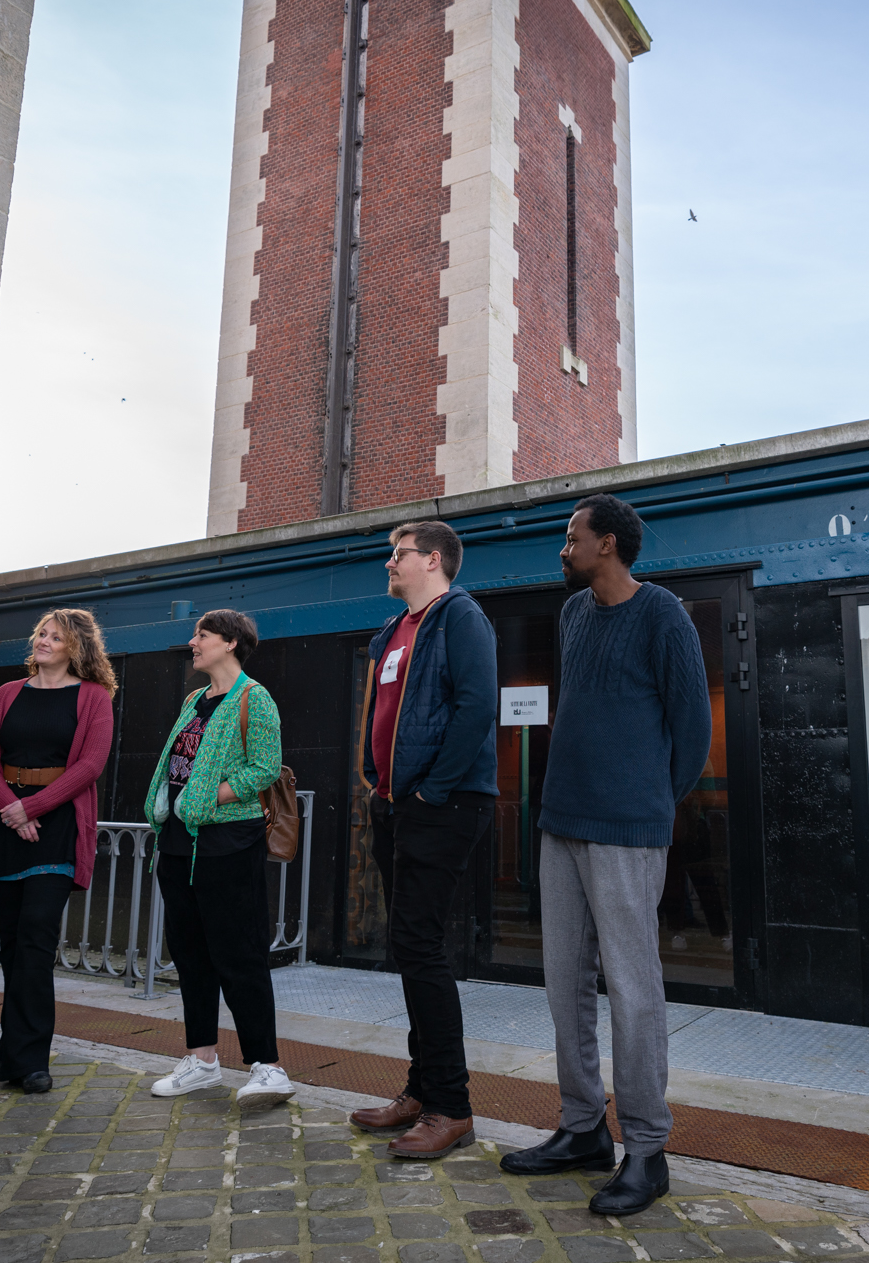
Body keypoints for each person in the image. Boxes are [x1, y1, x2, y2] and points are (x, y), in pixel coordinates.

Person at [499, 494, 711, 1217]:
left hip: (626, 828)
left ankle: (647, 1151)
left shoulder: (663, 618)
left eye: (572, 538)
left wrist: (648, 799)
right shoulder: (571, 614)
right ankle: (583, 1128)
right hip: (561, 822)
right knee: (564, 985)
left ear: (609, 545)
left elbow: (691, 730)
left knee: (632, 988)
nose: (563, 549)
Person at [345, 521, 499, 1157]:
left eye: (398, 554)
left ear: (432, 560)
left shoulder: (458, 618)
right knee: (409, 947)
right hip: (396, 804)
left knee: (420, 945)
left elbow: (475, 706)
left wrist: (431, 790)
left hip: (445, 802)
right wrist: (382, 787)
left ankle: (451, 1107)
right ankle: (420, 1089)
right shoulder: (394, 631)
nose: (389, 563)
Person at [144, 608, 296, 1111]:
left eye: (202, 635)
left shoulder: (257, 699)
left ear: (230, 643)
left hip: (229, 843)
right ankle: (202, 1059)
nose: (193, 642)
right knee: (190, 954)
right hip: (178, 843)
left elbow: (265, 767)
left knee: (239, 954)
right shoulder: (193, 700)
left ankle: (268, 1067)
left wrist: (211, 796)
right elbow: (177, 765)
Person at [0, 609, 118, 1094]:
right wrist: (12, 808)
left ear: (77, 648)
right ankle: (11, 1043)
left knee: (35, 937)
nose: (44, 642)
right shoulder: (6, 694)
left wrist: (32, 807)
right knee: (11, 943)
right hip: (9, 824)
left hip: (58, 829)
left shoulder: (95, 697)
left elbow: (91, 765)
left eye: (55, 637)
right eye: (41, 635)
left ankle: (30, 1058)